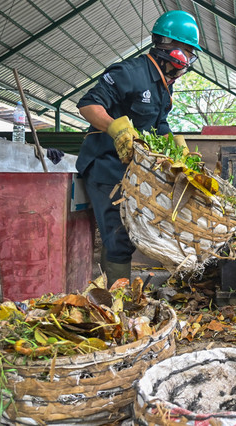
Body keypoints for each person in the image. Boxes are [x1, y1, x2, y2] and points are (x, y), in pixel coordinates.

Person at [61, 10, 201, 287]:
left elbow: (158, 124)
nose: (188, 60)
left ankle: (109, 288)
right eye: (188, 50)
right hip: (104, 165)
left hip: (130, 168)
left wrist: (178, 147)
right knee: (118, 234)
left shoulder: (164, 86)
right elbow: (88, 104)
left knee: (125, 232)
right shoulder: (129, 73)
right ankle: (118, 301)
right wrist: (116, 128)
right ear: (173, 50)